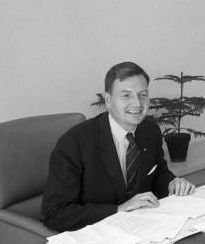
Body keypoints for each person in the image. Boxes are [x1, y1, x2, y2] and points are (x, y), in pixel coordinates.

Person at [41, 61, 195, 231]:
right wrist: (118, 210)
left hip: (143, 228)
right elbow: (54, 213)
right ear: (108, 100)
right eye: (126, 95)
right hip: (96, 236)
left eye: (143, 94)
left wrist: (171, 183)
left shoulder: (149, 130)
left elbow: (157, 172)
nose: (137, 103)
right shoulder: (74, 143)